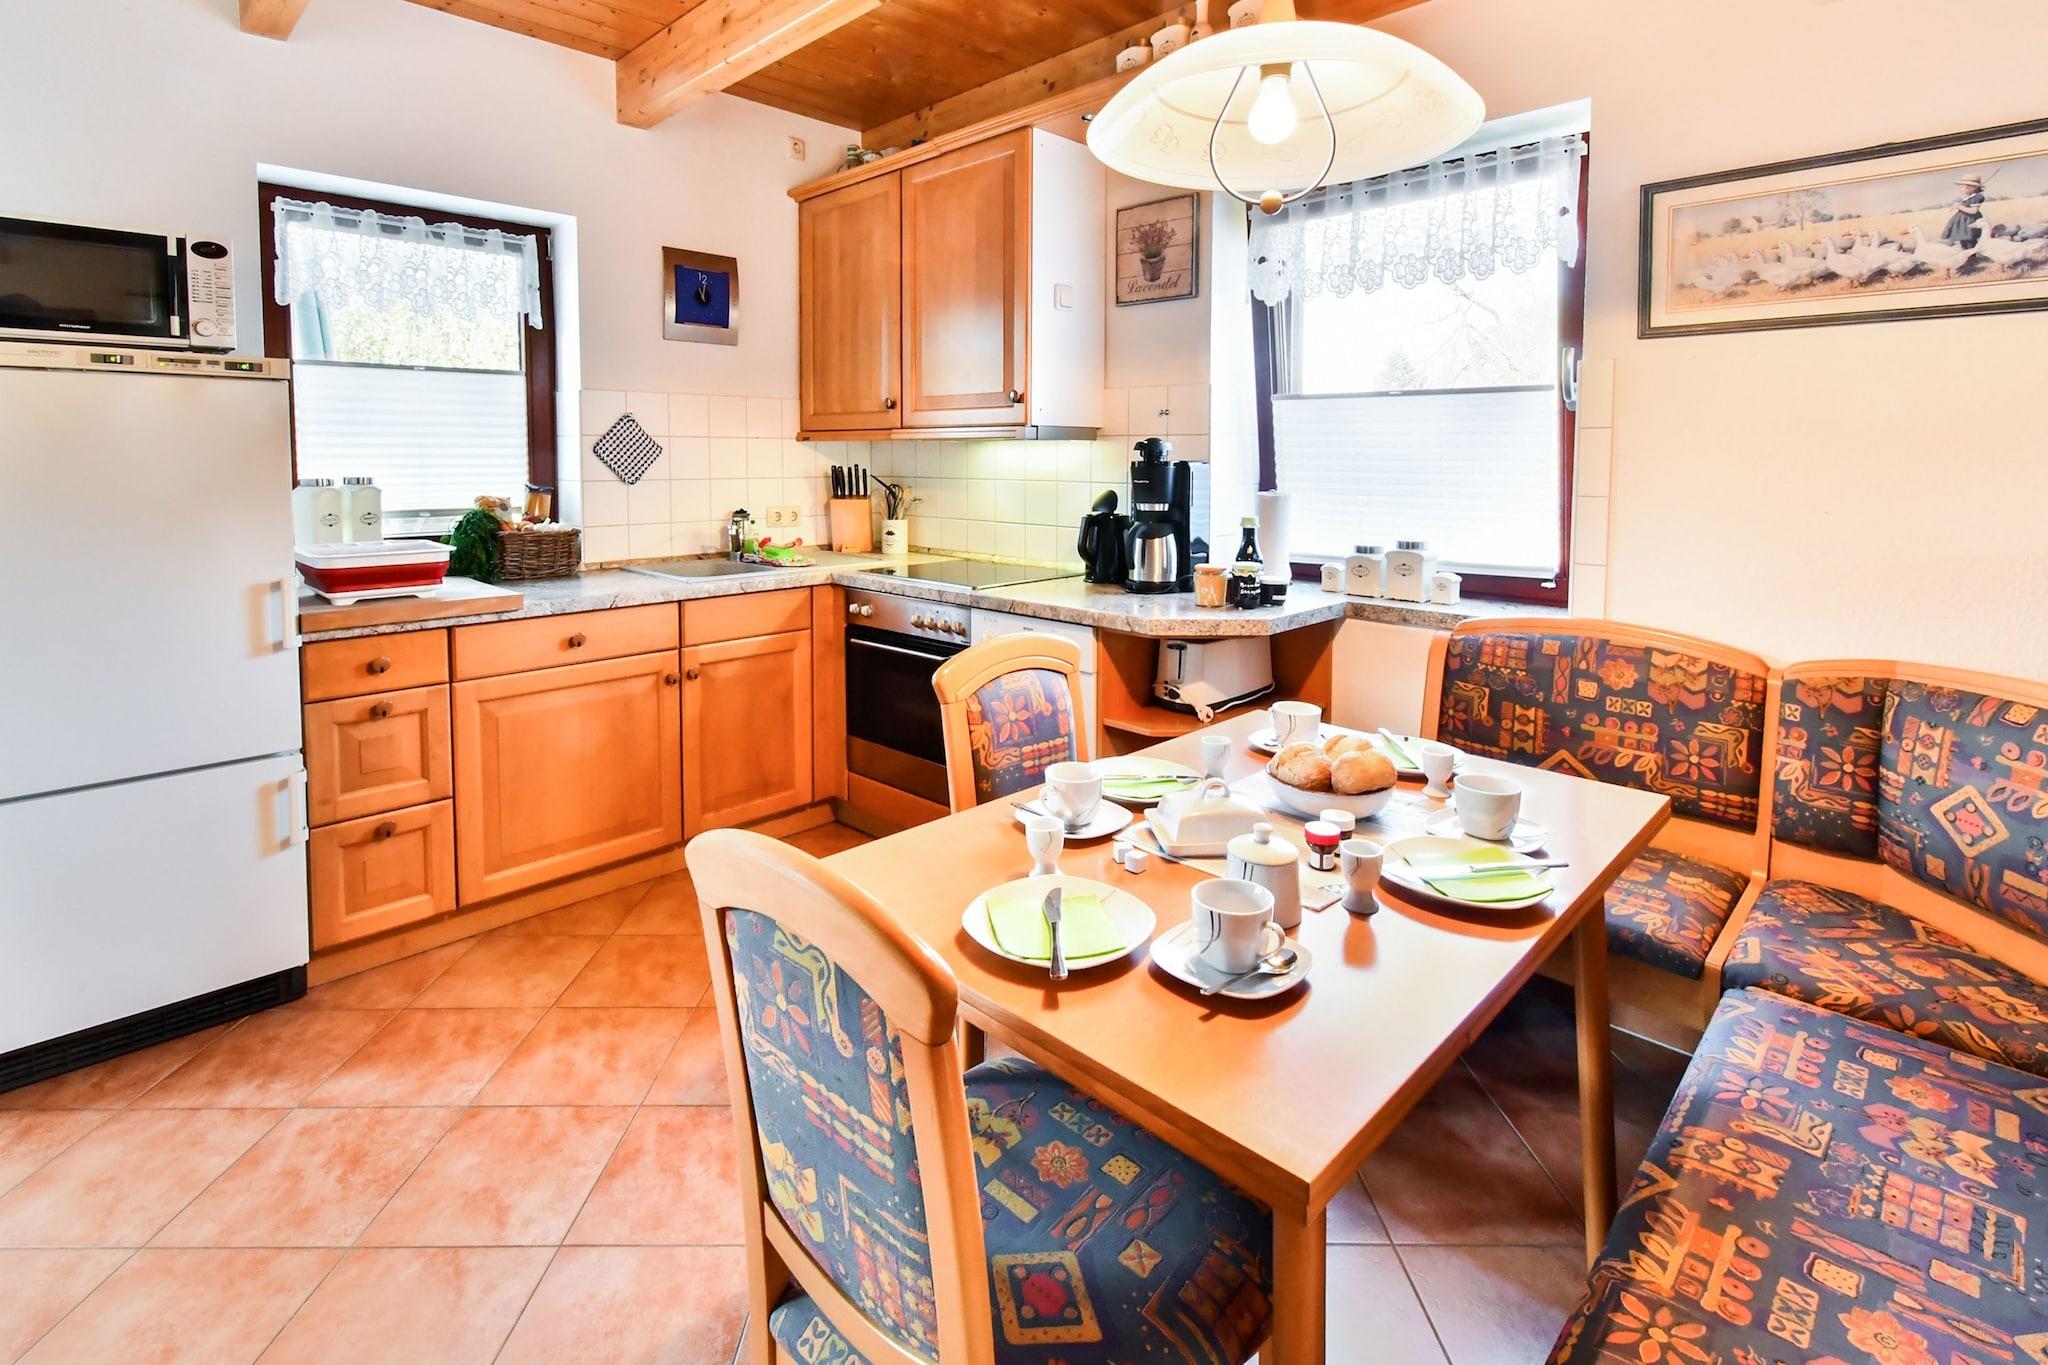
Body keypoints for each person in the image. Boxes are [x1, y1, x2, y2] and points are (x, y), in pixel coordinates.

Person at [1942, 174, 1987, 249]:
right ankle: (1965, 252)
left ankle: (1971, 255)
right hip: (1962, 222)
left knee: (1970, 240)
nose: (1961, 189)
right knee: (1963, 240)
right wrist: (1959, 205)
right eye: (1960, 187)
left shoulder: (1977, 198)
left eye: (1963, 187)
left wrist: (1960, 207)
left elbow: (1973, 211)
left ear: (1973, 188)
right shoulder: (1968, 198)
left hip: (1969, 221)